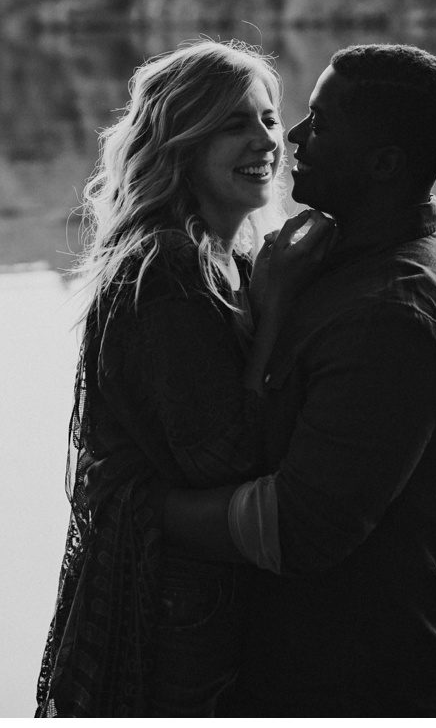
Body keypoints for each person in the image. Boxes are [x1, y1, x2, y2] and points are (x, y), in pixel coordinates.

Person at [161, 43, 436, 716]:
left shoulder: (395, 315)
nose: (292, 136)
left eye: (321, 123)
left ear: (382, 164)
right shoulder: (344, 254)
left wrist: (144, 511)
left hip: (383, 688)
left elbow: (298, 526)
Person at [33, 39, 330, 717]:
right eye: (234, 123)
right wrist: (279, 308)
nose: (265, 140)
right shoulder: (165, 271)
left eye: (266, 118)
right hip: (171, 617)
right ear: (182, 144)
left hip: (207, 599)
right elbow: (224, 458)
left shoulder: (234, 254)